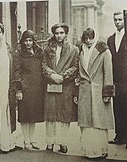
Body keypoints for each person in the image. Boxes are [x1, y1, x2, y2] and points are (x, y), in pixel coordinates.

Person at [74, 28, 115, 158]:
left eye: (90, 38)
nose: (88, 41)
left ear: (95, 37)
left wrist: (107, 93)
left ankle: (101, 150)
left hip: (98, 92)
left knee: (98, 122)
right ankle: (88, 150)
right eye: (85, 38)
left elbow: (108, 73)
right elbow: (78, 73)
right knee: (86, 123)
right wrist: (76, 93)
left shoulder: (104, 51)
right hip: (85, 91)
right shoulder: (81, 50)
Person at [42, 23, 79, 153]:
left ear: (66, 33)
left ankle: (63, 142)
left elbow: (75, 66)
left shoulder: (74, 50)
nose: (59, 36)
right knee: (50, 115)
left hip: (65, 85)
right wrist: (52, 74)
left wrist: (62, 76)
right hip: (51, 84)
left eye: (61, 33)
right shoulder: (47, 49)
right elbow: (43, 64)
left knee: (64, 115)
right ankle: (50, 142)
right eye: (56, 33)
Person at [107, 11, 127, 149]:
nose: (118, 22)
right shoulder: (111, 38)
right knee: (117, 108)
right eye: (115, 20)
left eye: (120, 19)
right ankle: (119, 135)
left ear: (125, 21)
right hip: (115, 79)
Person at [0, 22, 18, 152]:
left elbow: (14, 68)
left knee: (6, 110)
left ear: (3, 33)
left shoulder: (8, 49)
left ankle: (7, 142)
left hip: (6, 83)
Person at [14, 30, 44, 150]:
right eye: (26, 40)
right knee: (25, 116)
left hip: (37, 88)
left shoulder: (39, 52)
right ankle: (26, 140)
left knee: (34, 116)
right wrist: (18, 90)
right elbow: (16, 72)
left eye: (30, 40)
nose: (28, 43)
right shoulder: (18, 53)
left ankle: (33, 139)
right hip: (25, 88)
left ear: (33, 41)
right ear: (22, 41)